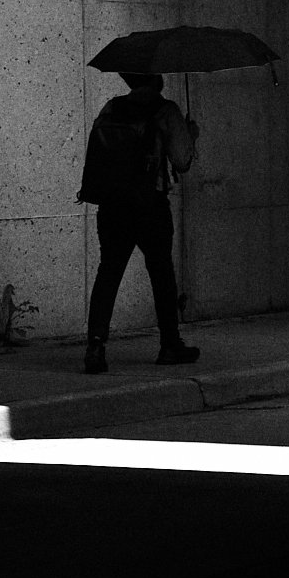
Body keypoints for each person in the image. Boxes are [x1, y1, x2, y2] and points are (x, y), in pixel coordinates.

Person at [76, 72, 201, 374]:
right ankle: (170, 345)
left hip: (112, 205)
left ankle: (95, 346)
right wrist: (191, 134)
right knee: (161, 274)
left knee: (108, 272)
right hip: (149, 205)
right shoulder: (166, 111)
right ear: (157, 82)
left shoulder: (111, 108)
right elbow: (182, 161)